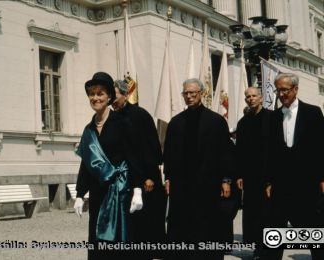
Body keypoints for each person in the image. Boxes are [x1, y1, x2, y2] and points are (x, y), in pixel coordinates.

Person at [74, 72, 144, 260]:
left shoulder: (122, 123)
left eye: (100, 94)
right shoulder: (88, 129)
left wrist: (137, 190)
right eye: (92, 94)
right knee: (97, 240)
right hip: (98, 193)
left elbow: (134, 158)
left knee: (119, 242)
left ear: (109, 97)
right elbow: (86, 164)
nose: (95, 98)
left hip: (120, 192)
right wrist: (80, 194)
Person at [163, 78, 233, 260]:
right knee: (181, 226)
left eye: (193, 92)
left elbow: (225, 153)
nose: (189, 96)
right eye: (186, 93)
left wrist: (226, 180)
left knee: (208, 225)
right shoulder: (175, 123)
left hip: (208, 183)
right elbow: (168, 153)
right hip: (181, 184)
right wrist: (168, 177)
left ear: (201, 93)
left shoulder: (216, 121)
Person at [265, 73, 324, 260]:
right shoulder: (273, 117)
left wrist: (322, 178)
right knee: (275, 230)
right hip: (281, 184)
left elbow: (321, 147)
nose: (281, 94)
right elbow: (269, 153)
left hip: (308, 182)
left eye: (285, 90)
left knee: (313, 228)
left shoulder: (313, 113)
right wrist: (268, 181)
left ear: (296, 89)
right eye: (278, 90)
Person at [112, 78, 166, 259]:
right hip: (124, 179)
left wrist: (150, 175)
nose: (112, 99)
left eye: (115, 95)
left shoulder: (140, 115)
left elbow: (151, 147)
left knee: (146, 220)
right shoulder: (112, 117)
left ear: (125, 95)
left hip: (145, 177)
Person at [235, 86, 272, 259]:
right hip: (250, 176)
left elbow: (276, 150)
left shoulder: (272, 118)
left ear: (261, 97)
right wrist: (239, 174)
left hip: (268, 175)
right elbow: (239, 152)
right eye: (247, 96)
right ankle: (257, 248)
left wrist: (272, 179)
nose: (251, 99)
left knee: (268, 213)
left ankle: (269, 249)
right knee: (252, 213)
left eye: (254, 96)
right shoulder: (243, 123)